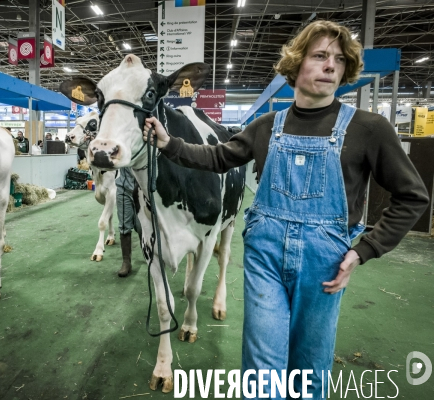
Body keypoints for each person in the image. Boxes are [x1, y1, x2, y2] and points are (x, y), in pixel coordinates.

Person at [143, 20, 429, 398]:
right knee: (261, 369)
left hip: (326, 263)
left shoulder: (369, 128)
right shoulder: (266, 126)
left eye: (339, 60)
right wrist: (168, 143)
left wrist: (365, 250)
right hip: (265, 258)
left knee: (310, 366)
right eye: (320, 56)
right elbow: (217, 157)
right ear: (297, 64)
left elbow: (412, 196)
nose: (330, 66)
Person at [115, 167, 141, 277]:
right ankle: (126, 262)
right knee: (124, 225)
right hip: (124, 188)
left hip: (143, 189)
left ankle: (151, 256)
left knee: (142, 227)